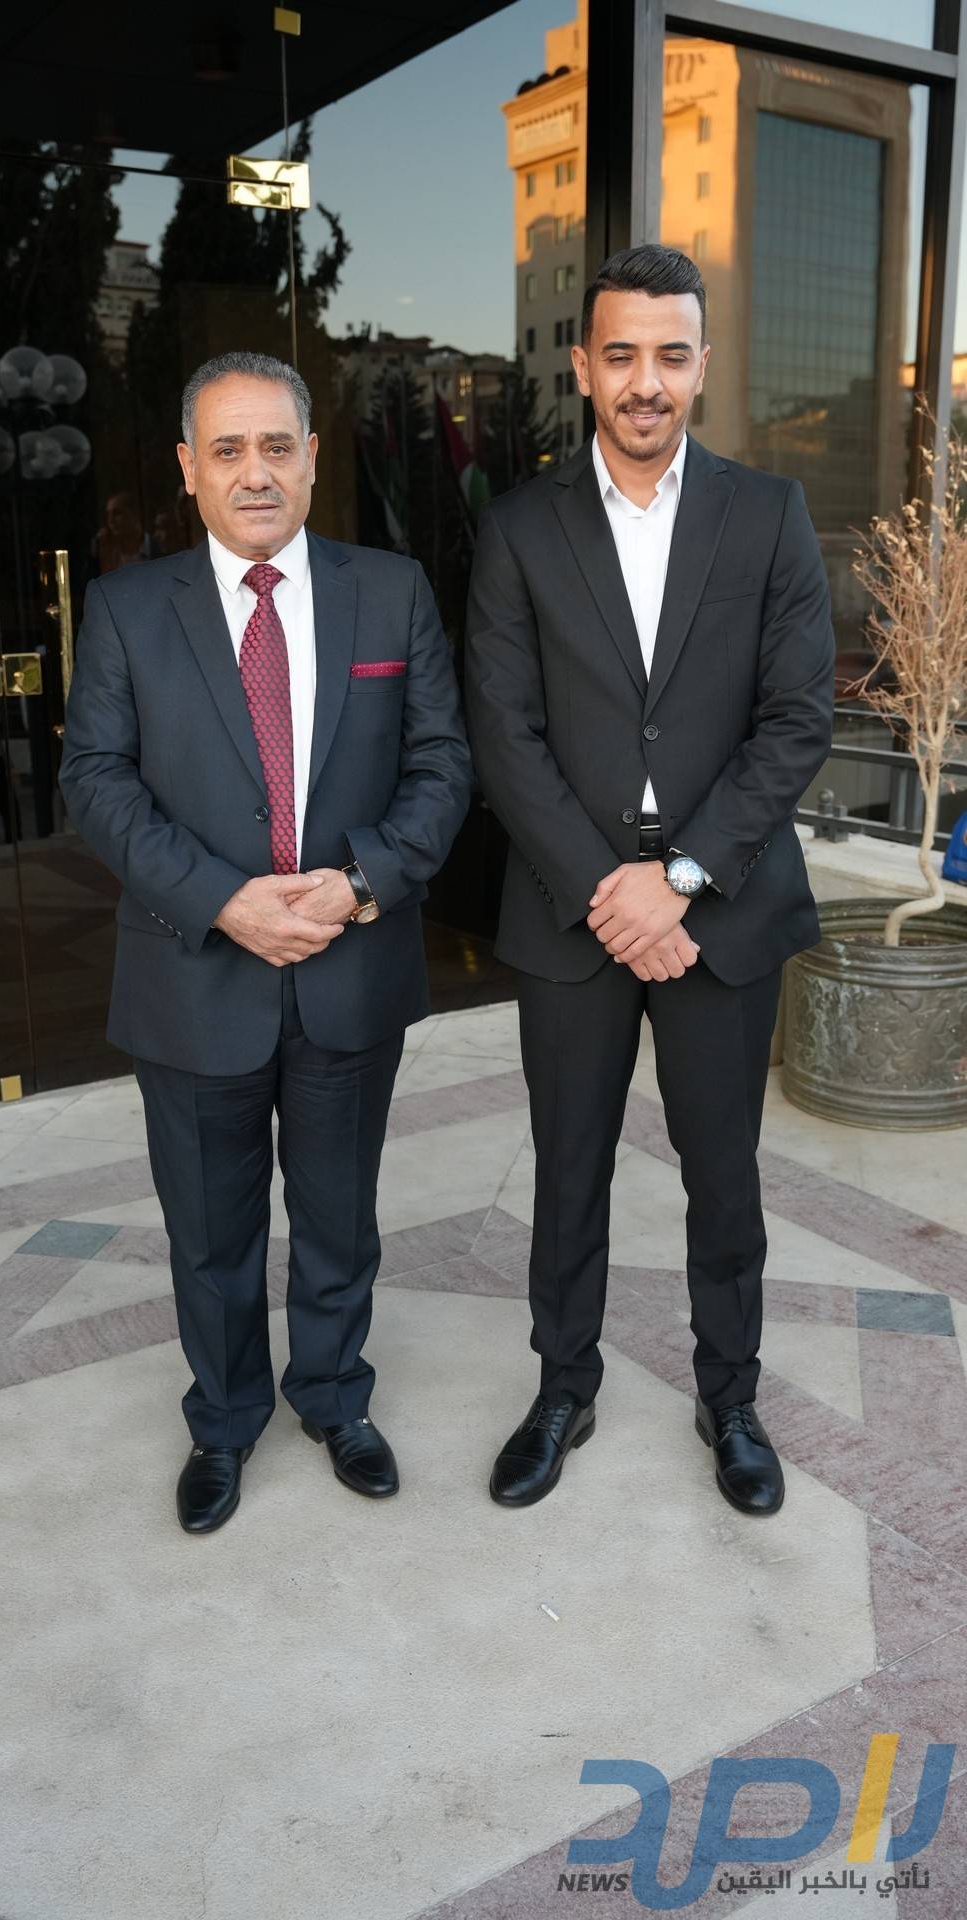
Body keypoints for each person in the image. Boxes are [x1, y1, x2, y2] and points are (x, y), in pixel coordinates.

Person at [60, 350, 471, 1533]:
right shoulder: (128, 609)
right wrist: (226, 900)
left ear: (312, 459)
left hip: (353, 965)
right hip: (194, 974)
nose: (255, 472)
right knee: (210, 1233)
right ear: (189, 468)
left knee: (340, 1218)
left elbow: (443, 765)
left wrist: (359, 885)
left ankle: (336, 1398)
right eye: (228, 449)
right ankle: (226, 1420)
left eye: (277, 446)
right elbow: (96, 782)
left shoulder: (388, 591)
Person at [464, 245, 835, 1516]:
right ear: (582, 367)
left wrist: (675, 878)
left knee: (722, 1173)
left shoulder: (768, 514)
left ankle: (729, 1396)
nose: (646, 381)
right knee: (568, 1168)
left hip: (719, 907)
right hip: (570, 913)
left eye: (671, 355)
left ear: (703, 365)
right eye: (620, 354)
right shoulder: (519, 526)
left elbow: (797, 719)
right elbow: (502, 733)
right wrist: (607, 890)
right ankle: (563, 1387)